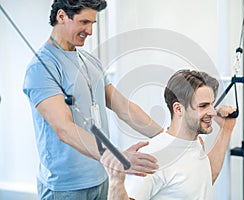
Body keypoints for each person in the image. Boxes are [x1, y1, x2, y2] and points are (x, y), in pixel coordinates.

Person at [23, 0, 163, 199]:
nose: (89, 31)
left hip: (102, 176)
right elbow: (64, 128)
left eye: (92, 24)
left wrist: (168, 137)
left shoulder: (90, 61)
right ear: (61, 16)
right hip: (66, 187)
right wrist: (116, 157)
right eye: (84, 22)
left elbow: (124, 107)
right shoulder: (41, 67)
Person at [103, 69, 237, 200]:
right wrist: (116, 182)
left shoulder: (196, 143)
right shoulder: (151, 156)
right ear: (178, 109)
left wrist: (226, 129)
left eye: (212, 104)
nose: (213, 112)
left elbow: (206, 179)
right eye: (203, 106)